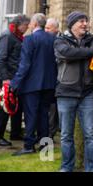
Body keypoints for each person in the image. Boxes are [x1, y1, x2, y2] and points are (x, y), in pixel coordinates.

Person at [54, 11, 93, 172]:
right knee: (66, 135)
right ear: (72, 24)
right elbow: (67, 53)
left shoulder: (92, 40)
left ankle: (92, 168)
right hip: (65, 94)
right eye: (81, 21)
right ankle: (66, 168)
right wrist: (91, 53)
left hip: (87, 94)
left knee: (90, 134)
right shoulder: (61, 40)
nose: (85, 24)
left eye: (86, 21)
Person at [10, 13, 57, 155]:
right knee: (44, 115)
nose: (29, 25)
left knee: (31, 116)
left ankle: (29, 146)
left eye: (30, 23)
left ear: (35, 24)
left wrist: (15, 83)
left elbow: (25, 64)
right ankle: (45, 146)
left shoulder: (29, 39)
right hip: (49, 84)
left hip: (32, 85)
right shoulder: (52, 39)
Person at [0, 14, 30, 146]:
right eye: (26, 25)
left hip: (14, 77)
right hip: (6, 78)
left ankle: (15, 132)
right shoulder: (7, 36)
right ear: (19, 24)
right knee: (5, 107)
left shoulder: (17, 36)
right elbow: (0, 58)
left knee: (16, 106)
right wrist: (5, 78)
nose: (27, 28)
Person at [45, 17, 60, 140]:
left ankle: (50, 133)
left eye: (48, 28)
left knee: (53, 109)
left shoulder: (60, 41)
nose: (45, 30)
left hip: (57, 80)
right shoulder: (45, 39)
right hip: (47, 79)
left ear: (56, 29)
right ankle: (46, 132)